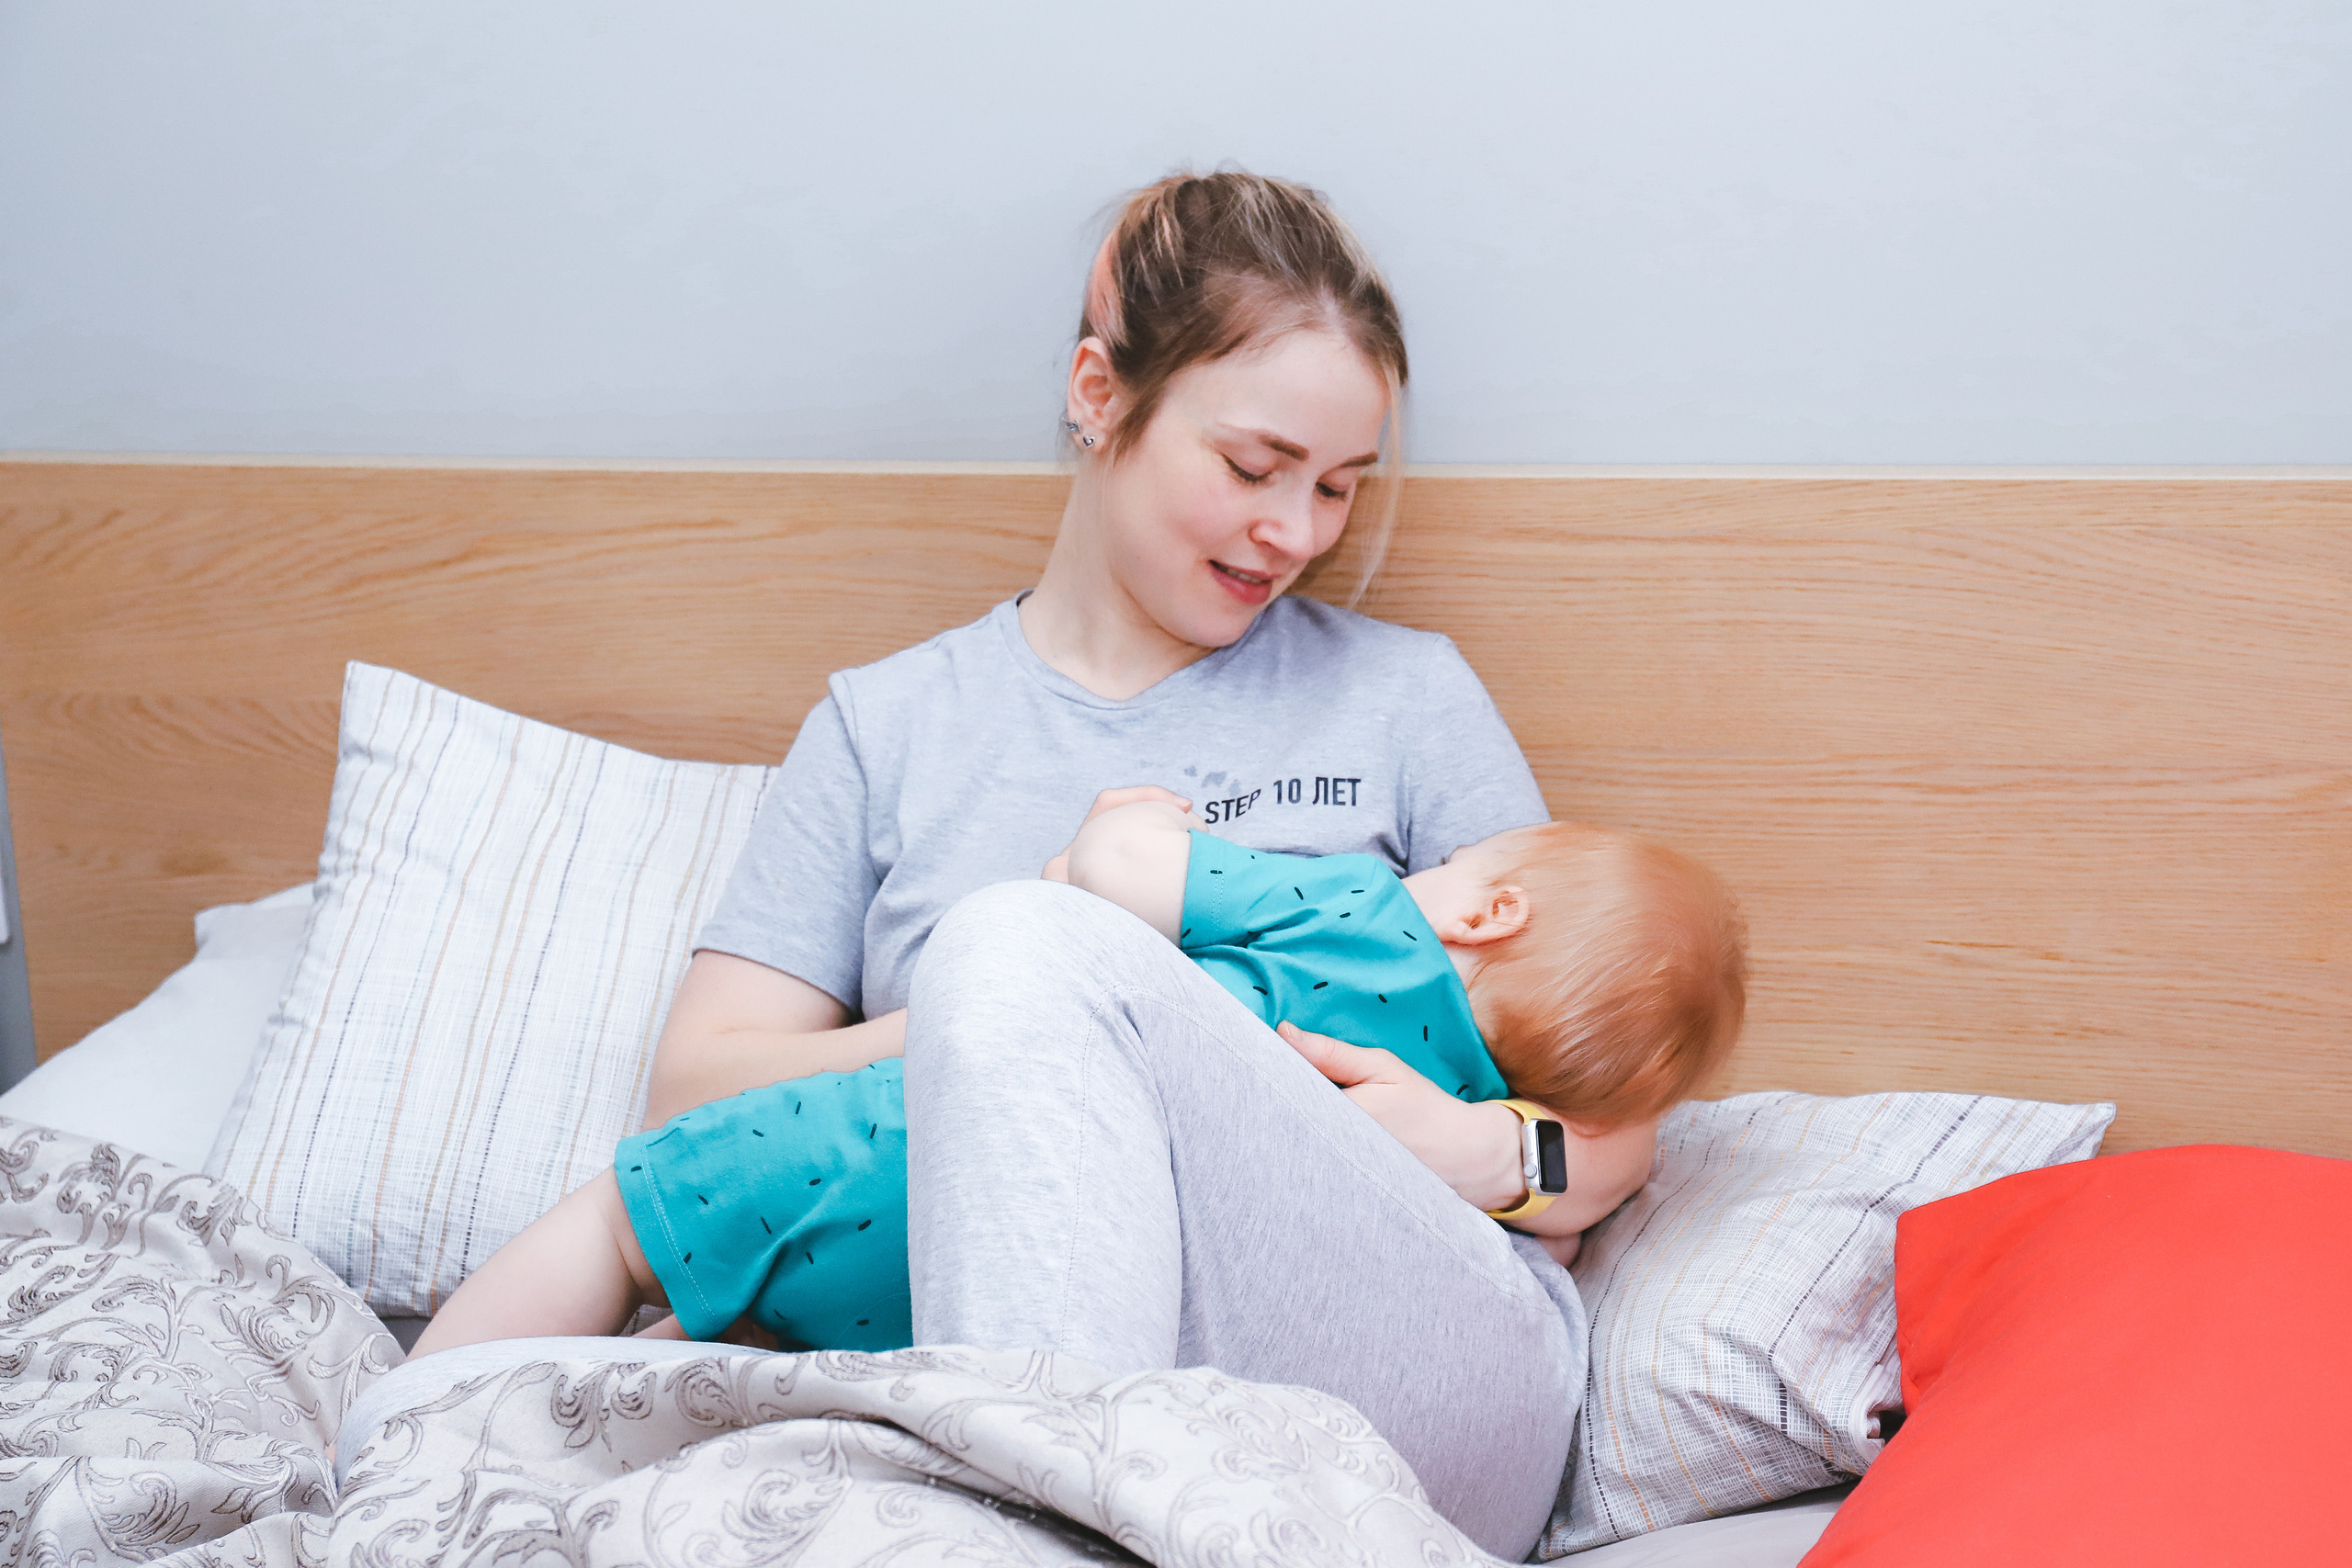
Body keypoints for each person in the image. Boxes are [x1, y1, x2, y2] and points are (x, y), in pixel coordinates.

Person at [545, 169, 1601, 1558]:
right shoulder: (891, 724)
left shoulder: (1408, 702)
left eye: (1340, 487)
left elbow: (1620, 1113)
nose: (1297, 533)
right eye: (1251, 468)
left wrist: (1476, 1146)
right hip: (1032, 1365)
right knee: (1023, 945)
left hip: (1412, 1368)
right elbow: (696, 1090)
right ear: (1100, 394)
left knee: (1033, 944)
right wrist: (1035, 1034)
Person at [408, 808, 1746, 1361]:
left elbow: (1119, 874)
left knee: (617, 1225)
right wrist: (1504, 1156)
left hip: (902, 1157)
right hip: (1073, 1300)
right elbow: (1604, 1149)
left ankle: (412, 1422)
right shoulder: (1449, 1088)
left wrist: (1136, 814)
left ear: (1490, 909)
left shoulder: (1356, 910)